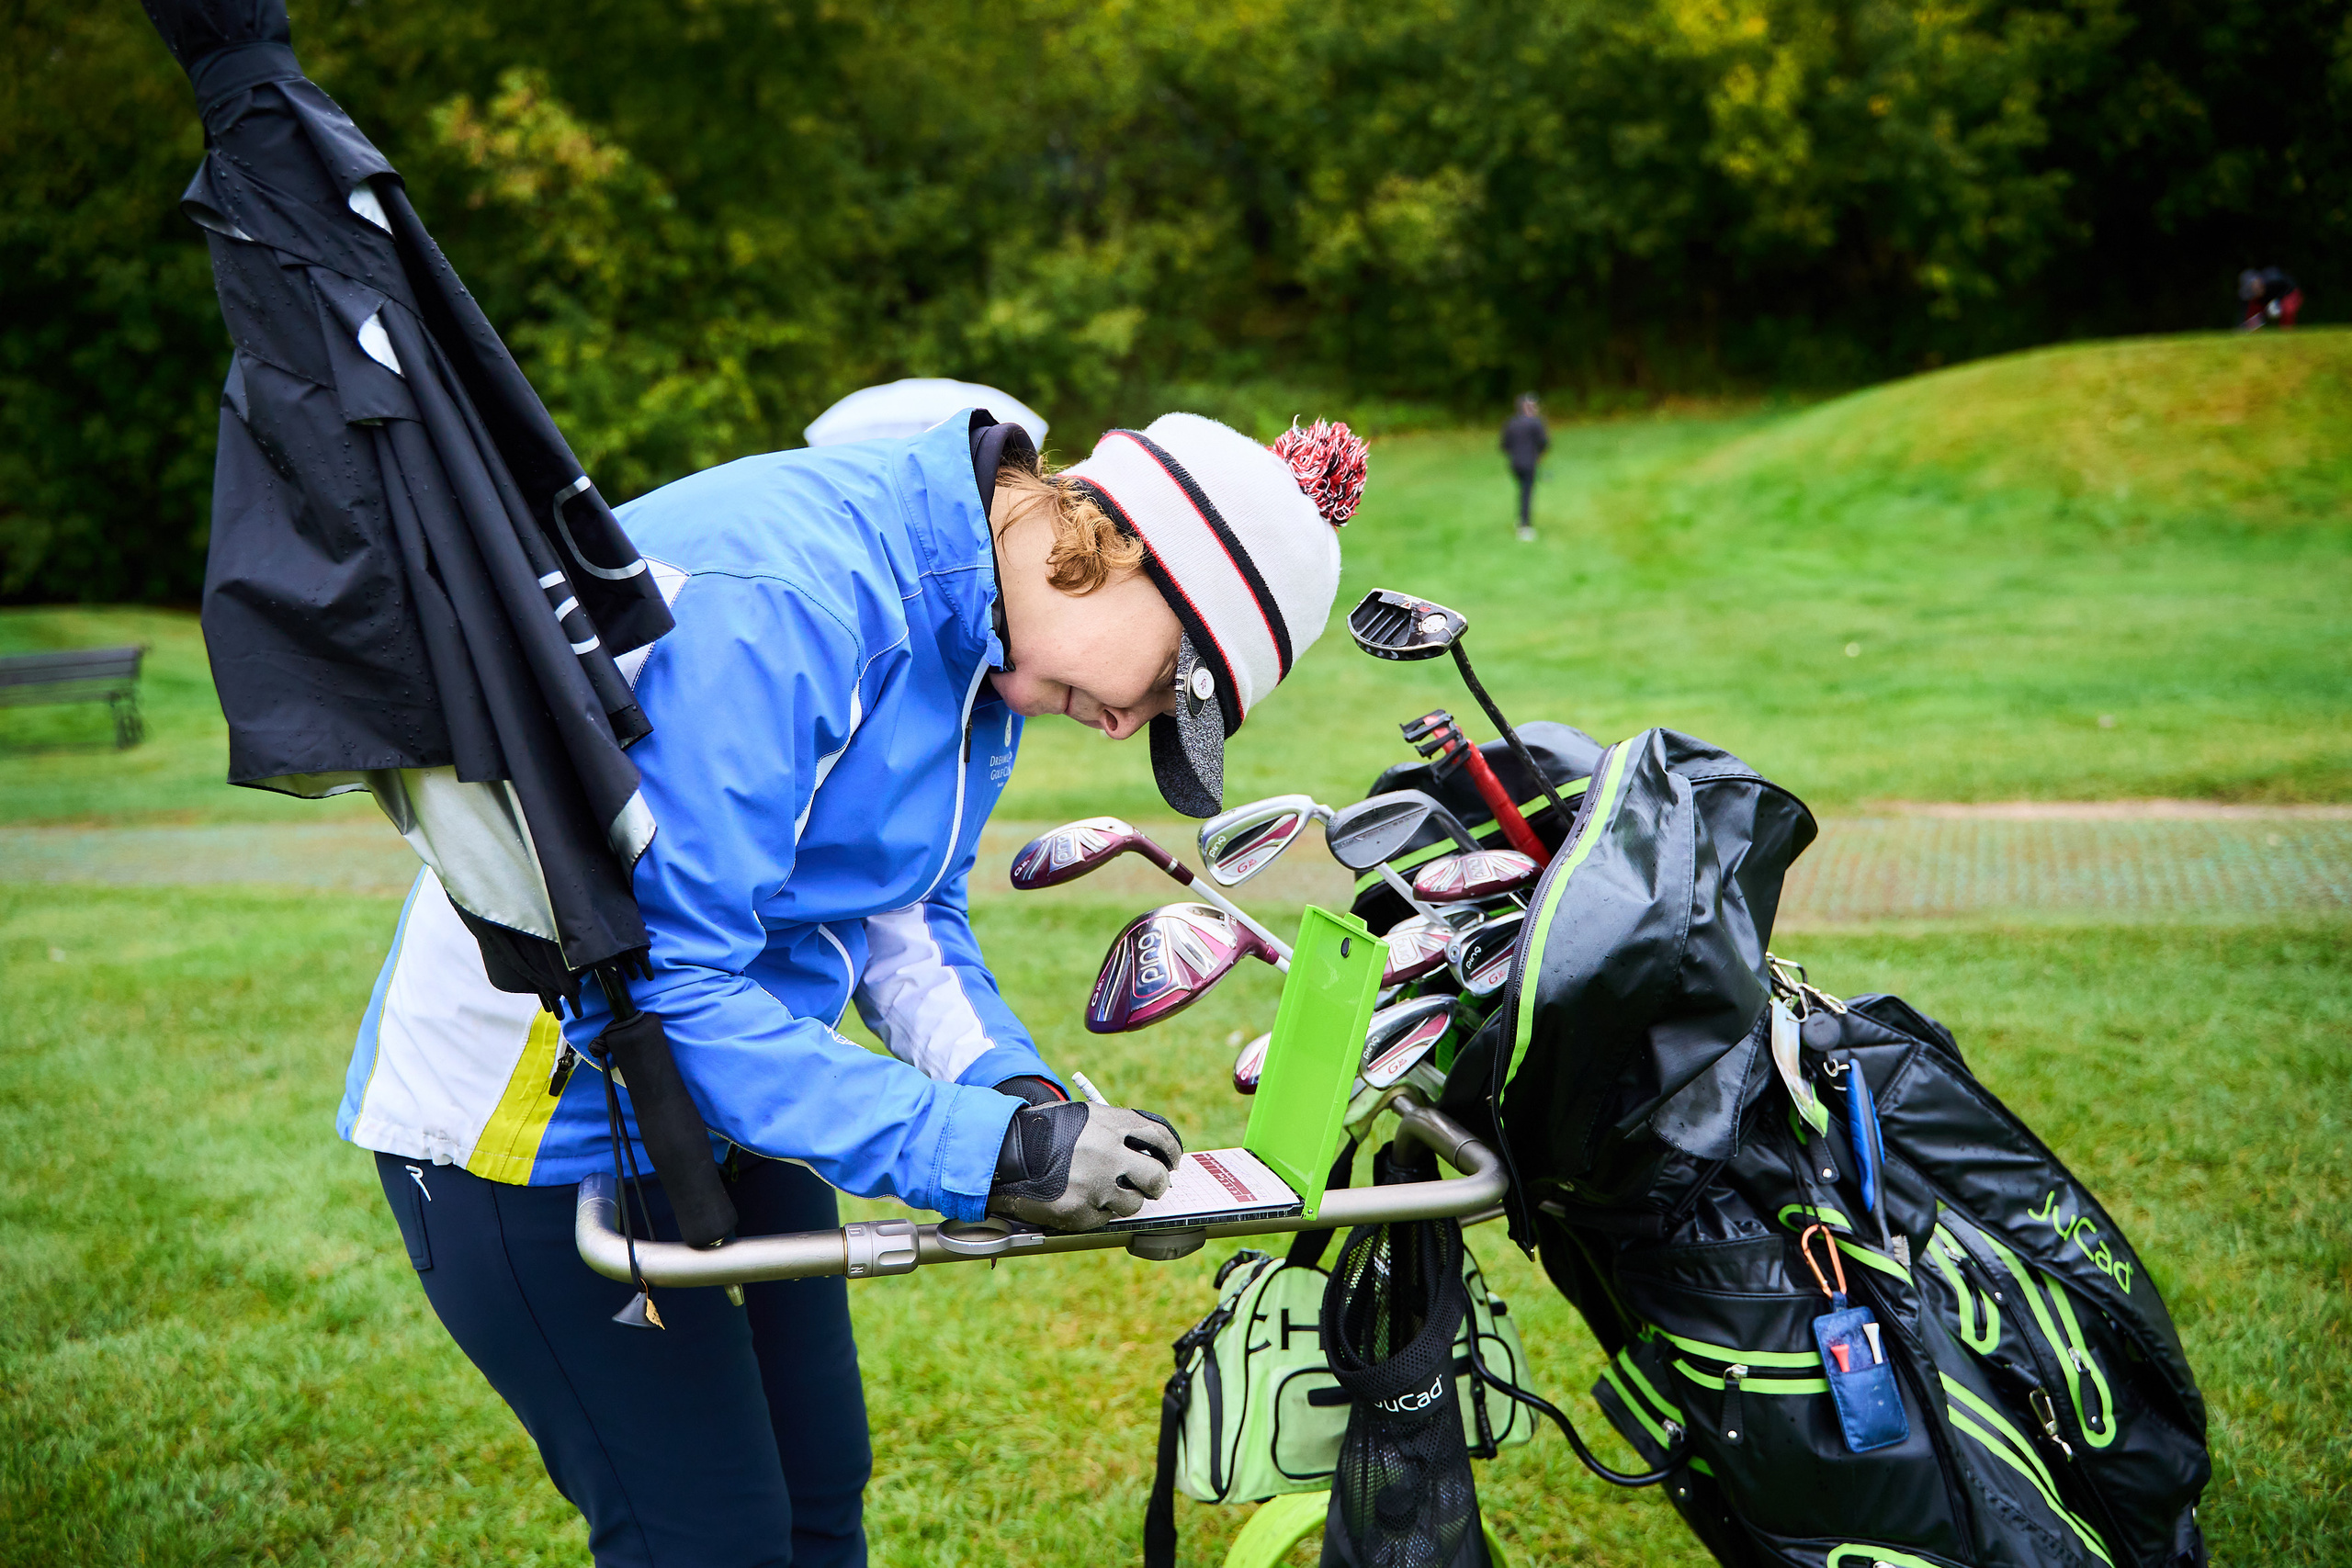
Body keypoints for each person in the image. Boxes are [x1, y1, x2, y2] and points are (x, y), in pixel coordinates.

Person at [339, 408, 1369, 1567]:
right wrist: (985, 1154)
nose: (1129, 724)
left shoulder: (981, 626)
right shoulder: (792, 602)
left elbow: (907, 916)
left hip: (741, 1091)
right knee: (713, 1540)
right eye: (1170, 688)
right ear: (1121, 549)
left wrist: (1023, 1104)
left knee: (821, 1489)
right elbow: (660, 990)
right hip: (543, 1123)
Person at [1500, 394, 1548, 541]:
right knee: (1527, 493)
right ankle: (1524, 527)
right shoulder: (1536, 423)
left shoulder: (1511, 423)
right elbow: (1544, 443)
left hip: (1514, 464)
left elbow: (1504, 445)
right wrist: (1538, 455)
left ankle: (1522, 518)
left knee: (1522, 491)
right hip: (1529, 463)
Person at [2238, 266, 2302, 330]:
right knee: (2253, 311)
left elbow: (2290, 288)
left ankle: (2287, 330)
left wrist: (2277, 301)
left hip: (2288, 294)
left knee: (2288, 309)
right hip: (2269, 300)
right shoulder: (2256, 296)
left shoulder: (2274, 280)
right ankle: (2251, 331)